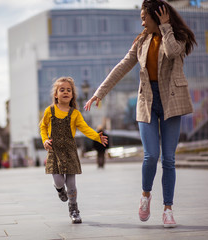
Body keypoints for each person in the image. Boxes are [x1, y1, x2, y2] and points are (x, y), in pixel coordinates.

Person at [84, 0, 196, 228]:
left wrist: (166, 28)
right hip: (147, 100)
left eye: (145, 17)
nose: (142, 21)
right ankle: (146, 195)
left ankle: (167, 209)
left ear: (158, 16)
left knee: (169, 159)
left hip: (172, 100)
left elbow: (174, 52)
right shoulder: (142, 41)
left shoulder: (178, 36)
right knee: (151, 155)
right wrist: (99, 93)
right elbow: (123, 65)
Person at [40, 76, 108, 224]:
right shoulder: (49, 111)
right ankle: (59, 190)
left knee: (71, 183)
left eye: (68, 90)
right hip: (54, 151)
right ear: (56, 94)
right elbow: (43, 127)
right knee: (59, 181)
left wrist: (97, 137)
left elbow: (84, 128)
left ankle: (74, 209)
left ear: (72, 95)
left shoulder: (75, 113)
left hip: (70, 151)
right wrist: (45, 140)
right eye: (62, 89)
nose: (65, 92)